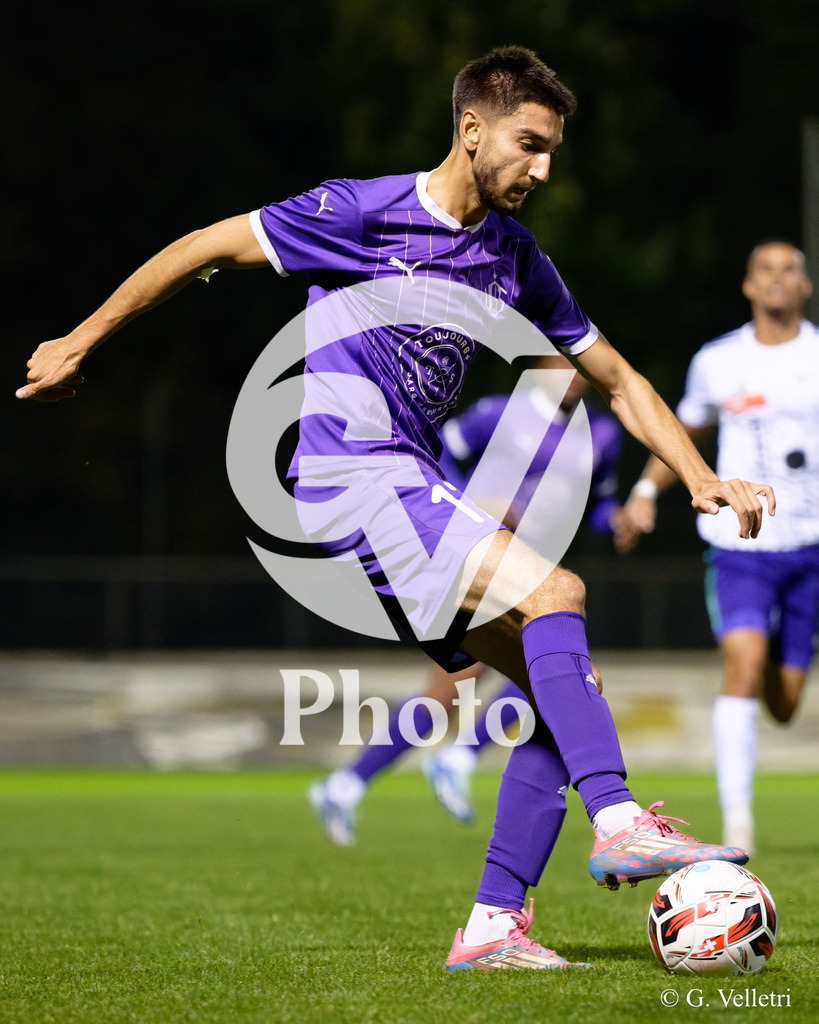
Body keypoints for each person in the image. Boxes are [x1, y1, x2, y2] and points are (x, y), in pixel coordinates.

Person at [17, 46, 775, 971]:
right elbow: (204, 246)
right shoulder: (359, 211)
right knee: (557, 592)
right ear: (470, 129)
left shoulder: (515, 259)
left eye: (552, 154)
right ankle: (615, 820)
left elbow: (614, 378)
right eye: (528, 145)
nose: (540, 169)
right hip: (350, 482)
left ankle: (495, 926)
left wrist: (695, 475)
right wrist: (80, 340)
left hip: (399, 495)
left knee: (559, 693)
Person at [309, 356, 644, 844]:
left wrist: (615, 522)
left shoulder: (603, 436)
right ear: (544, 362)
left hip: (529, 571)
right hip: (473, 558)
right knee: (542, 675)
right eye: (564, 361)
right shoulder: (499, 413)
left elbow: (598, 504)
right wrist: (468, 506)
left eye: (581, 365)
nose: (574, 373)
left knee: (510, 682)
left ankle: (356, 782)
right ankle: (445, 760)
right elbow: (435, 455)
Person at [622, 240, 817, 856]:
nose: (779, 278)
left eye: (791, 268)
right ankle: (738, 827)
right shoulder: (718, 361)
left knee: (785, 703)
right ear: (748, 286)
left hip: (811, 546)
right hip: (739, 544)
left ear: (805, 286)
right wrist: (645, 492)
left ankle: (773, 670)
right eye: (766, 269)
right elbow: (684, 430)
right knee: (743, 665)